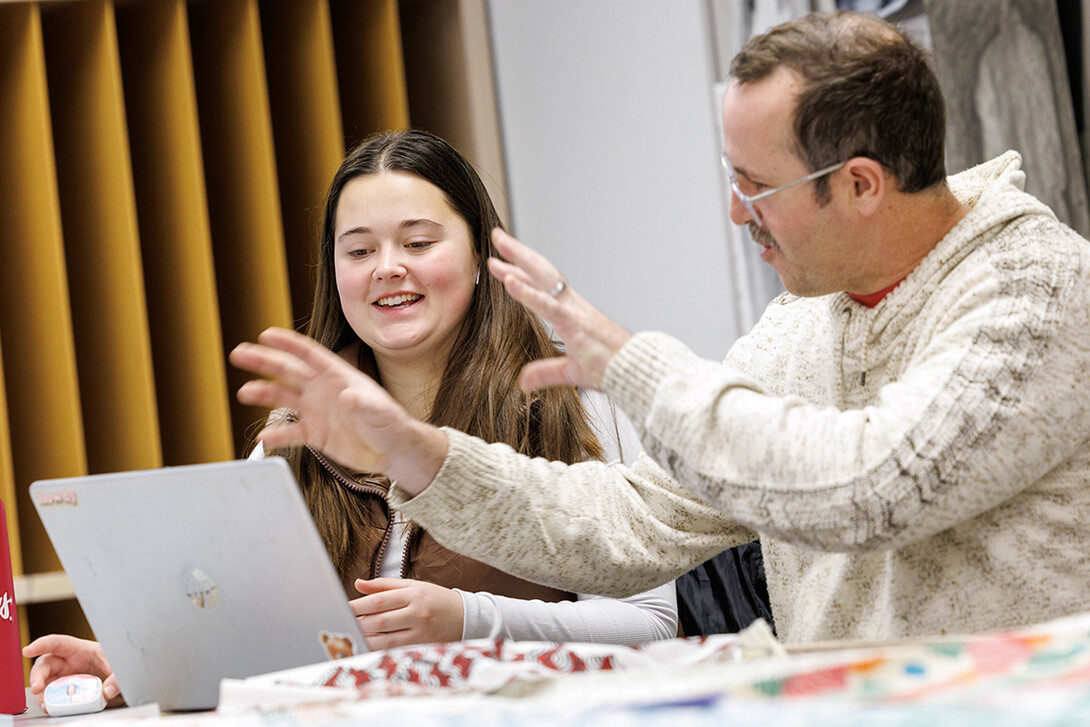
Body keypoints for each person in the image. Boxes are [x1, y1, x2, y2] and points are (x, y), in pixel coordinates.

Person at [229, 9, 1090, 646]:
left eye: (756, 186)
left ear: (860, 184)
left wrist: (632, 367)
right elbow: (636, 521)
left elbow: (875, 485)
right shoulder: (801, 323)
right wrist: (415, 453)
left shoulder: (1034, 287)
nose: (733, 209)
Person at [23, 130, 678, 708]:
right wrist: (145, 660)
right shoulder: (303, 420)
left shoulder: (569, 397)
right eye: (358, 250)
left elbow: (653, 621)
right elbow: (263, 633)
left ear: (480, 255)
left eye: (418, 241)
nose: (388, 268)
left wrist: (470, 619)